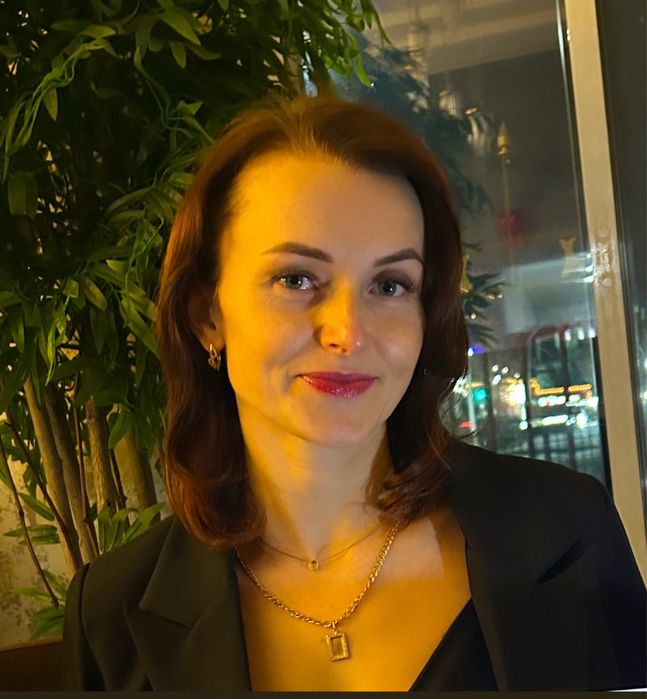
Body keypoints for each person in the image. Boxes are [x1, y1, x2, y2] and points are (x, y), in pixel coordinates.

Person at [63, 94, 646, 692]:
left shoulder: (570, 529)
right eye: (296, 279)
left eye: (390, 285)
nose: (348, 332)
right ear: (207, 315)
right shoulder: (111, 615)